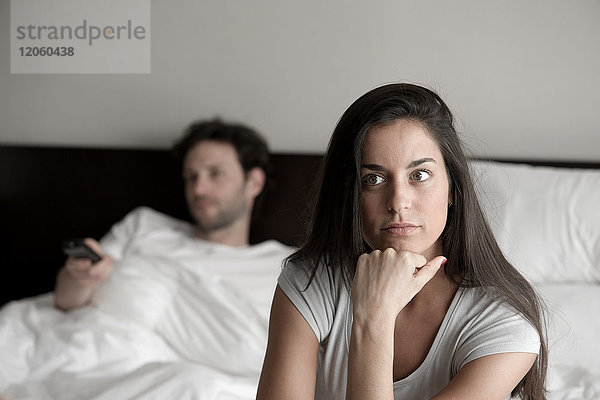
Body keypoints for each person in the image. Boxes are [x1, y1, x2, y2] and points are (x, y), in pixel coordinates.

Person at [256, 84, 548, 400]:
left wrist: (374, 318)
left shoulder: (504, 325)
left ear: (452, 189)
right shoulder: (311, 282)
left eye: (419, 175)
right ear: (350, 195)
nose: (398, 201)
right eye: (373, 179)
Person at [54, 118, 291, 311]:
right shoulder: (143, 226)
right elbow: (64, 303)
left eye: (216, 173)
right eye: (191, 177)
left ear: (253, 182)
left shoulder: (284, 267)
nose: (198, 189)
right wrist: (79, 277)